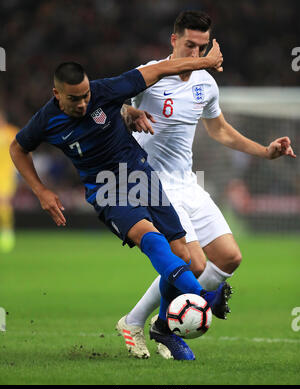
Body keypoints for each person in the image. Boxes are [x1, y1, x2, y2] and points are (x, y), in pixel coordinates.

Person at [9, 45, 231, 361]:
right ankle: (201, 297)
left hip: (141, 176)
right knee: (154, 242)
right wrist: (41, 191)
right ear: (56, 94)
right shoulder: (46, 120)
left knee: (184, 254)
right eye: (75, 99)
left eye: (86, 95)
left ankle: (162, 331)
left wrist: (204, 63)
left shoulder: (104, 91)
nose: (84, 102)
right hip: (107, 190)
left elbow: (157, 70)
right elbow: (18, 149)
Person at [117, 10, 296, 359]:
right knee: (194, 264)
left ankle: (163, 326)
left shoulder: (205, 84)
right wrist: (128, 111)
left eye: (201, 47)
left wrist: (265, 151)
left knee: (229, 258)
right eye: (188, 45)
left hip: (187, 182)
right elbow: (112, 102)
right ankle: (134, 322)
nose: (194, 54)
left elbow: (220, 130)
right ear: (173, 40)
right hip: (155, 185)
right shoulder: (151, 74)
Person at [0, 110, 19, 252]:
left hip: (6, 175)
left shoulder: (12, 132)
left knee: (3, 202)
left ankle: (7, 232)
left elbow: (24, 149)